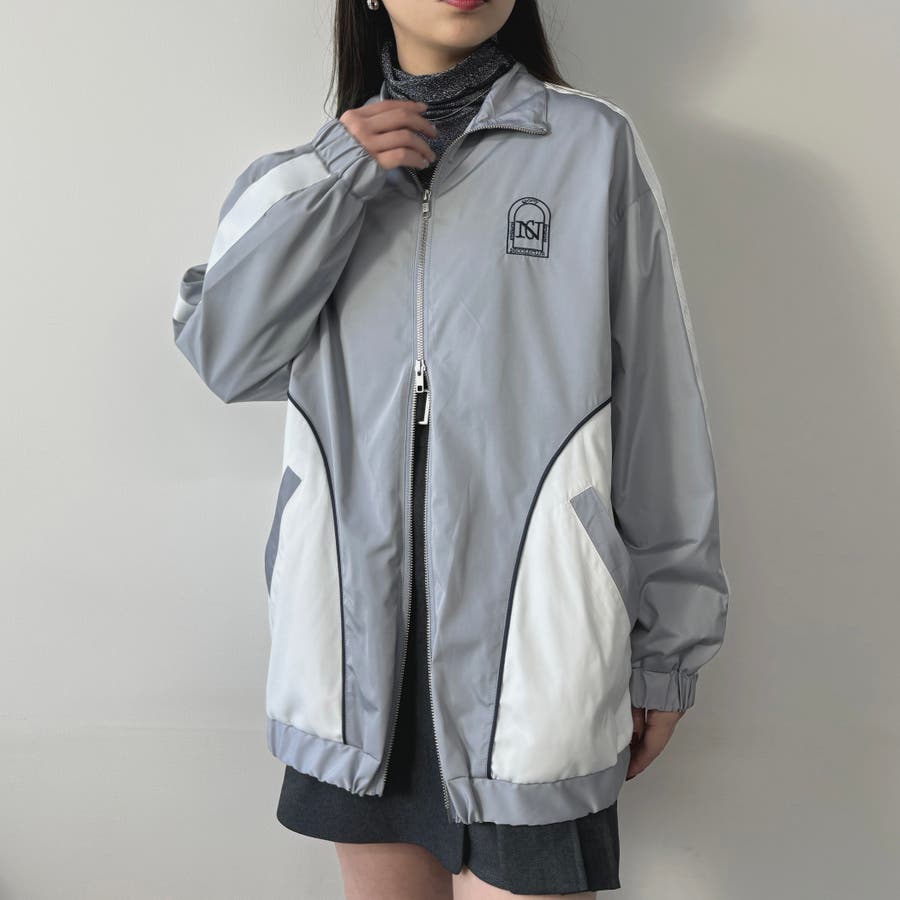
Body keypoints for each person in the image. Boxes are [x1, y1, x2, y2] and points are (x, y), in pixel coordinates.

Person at [171, 0, 731, 896]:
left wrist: (668, 648)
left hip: (537, 658)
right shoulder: (306, 180)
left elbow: (656, 409)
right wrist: (338, 176)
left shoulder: (591, 149)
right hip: (356, 672)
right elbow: (226, 357)